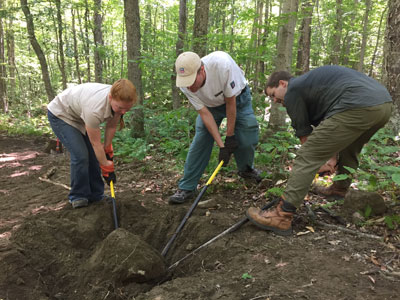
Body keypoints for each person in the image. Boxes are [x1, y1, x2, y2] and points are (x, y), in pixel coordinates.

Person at [246, 65, 392, 236]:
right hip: (383, 105)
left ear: (283, 84)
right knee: (350, 147)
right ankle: (339, 189)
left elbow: (306, 138)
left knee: (306, 155)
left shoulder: (293, 90)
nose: (275, 101)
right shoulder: (314, 88)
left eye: (273, 95)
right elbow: (331, 133)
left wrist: (319, 161)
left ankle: (281, 216)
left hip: (357, 105)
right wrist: (329, 159)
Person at [170, 51, 261, 204]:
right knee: (200, 140)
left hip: (237, 99)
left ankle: (246, 170)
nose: (190, 86)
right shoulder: (184, 84)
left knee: (247, 134)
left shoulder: (222, 65)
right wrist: (221, 146)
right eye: (186, 82)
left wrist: (230, 136)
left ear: (202, 71)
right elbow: (204, 114)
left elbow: (230, 103)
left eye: (192, 81)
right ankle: (187, 187)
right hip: (210, 107)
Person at [47, 79, 137, 209]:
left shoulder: (118, 103)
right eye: (120, 108)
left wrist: (107, 149)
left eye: (127, 109)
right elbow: (96, 144)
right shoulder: (95, 109)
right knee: (81, 155)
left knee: (95, 155)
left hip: (80, 115)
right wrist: (105, 165)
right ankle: (78, 195)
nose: (123, 112)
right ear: (110, 98)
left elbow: (111, 126)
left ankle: (96, 194)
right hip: (62, 115)